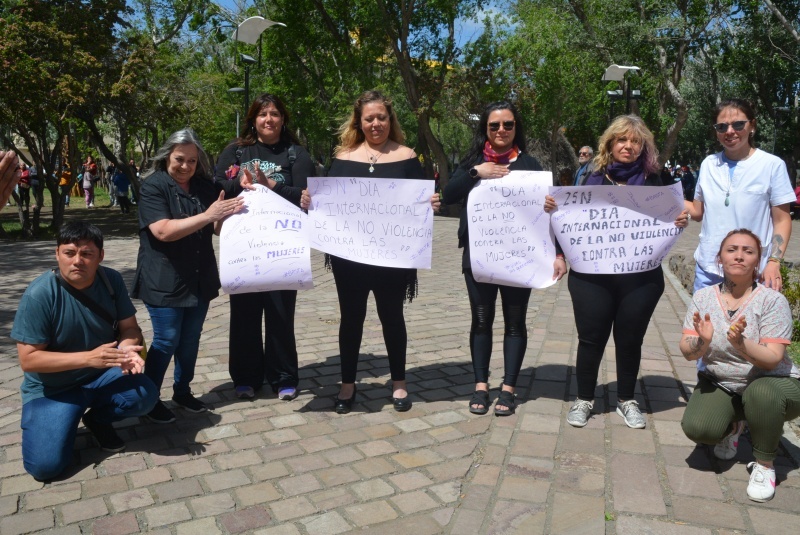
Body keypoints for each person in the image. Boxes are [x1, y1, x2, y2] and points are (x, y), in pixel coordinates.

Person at [300, 90, 440, 414]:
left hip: (393, 258)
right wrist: (310, 202)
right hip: (350, 259)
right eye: (369, 118)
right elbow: (328, 203)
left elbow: (421, 203)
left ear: (390, 119)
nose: (376, 123)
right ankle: (348, 385)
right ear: (358, 122)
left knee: (393, 318)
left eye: (382, 117)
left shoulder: (407, 156)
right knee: (351, 319)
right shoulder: (344, 157)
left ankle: (399, 383)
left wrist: (431, 204)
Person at [564, 115, 689, 429]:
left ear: (643, 146)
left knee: (630, 339)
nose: (629, 146)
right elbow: (572, 217)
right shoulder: (591, 178)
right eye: (622, 140)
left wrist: (678, 222)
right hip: (592, 277)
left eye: (636, 141)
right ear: (609, 143)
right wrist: (555, 209)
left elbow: (671, 216)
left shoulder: (656, 179)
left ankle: (626, 399)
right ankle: (583, 399)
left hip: (641, 278)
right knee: (590, 339)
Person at [443, 100, 567, 415]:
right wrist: (476, 172)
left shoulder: (530, 166)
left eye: (508, 125)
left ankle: (509, 389)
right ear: (485, 129)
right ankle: (481, 386)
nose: (501, 130)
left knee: (515, 322)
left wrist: (556, 245)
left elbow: (548, 215)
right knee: (481, 320)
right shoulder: (473, 161)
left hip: (520, 257)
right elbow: (448, 195)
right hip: (480, 256)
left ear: (516, 128)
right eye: (494, 125)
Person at [11, 221, 158, 481]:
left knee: (145, 395)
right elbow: (28, 360)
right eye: (69, 253)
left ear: (100, 256)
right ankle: (64, 417)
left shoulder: (109, 280)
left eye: (87, 253)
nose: (78, 261)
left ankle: (97, 420)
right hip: (53, 389)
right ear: (57, 254)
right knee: (46, 468)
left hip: (100, 377)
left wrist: (125, 350)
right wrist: (90, 358)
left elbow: (130, 328)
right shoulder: (40, 294)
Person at [132, 129, 244, 423]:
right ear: (167, 156)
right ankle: (150, 398)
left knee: (190, 339)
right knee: (167, 340)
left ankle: (182, 391)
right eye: (179, 159)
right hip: (164, 280)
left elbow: (215, 227)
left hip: (199, 277)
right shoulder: (153, 186)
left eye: (192, 161)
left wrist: (232, 211)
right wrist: (210, 215)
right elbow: (163, 231)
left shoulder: (203, 187)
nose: (185, 166)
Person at [679, 229, 799, 502]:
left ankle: (765, 465)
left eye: (748, 251)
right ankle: (735, 426)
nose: (739, 256)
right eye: (732, 250)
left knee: (761, 394)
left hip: (774, 384)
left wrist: (742, 344)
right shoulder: (704, 297)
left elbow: (773, 358)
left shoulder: (772, 300)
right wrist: (703, 342)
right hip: (724, 382)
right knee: (699, 429)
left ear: (757, 260)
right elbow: (687, 351)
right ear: (720, 258)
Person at [215, 94, 315, 401]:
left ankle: (284, 376)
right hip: (243, 246)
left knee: (280, 314)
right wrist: (241, 184)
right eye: (262, 114)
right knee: (244, 314)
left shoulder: (296, 153)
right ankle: (246, 377)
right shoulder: (236, 151)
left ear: (283, 119)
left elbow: (306, 196)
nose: (268, 119)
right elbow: (216, 185)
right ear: (253, 119)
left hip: (283, 246)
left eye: (274, 114)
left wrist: (272, 186)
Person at [685, 99, 794, 294]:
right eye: (721, 126)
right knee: (704, 324)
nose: (729, 131)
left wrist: (774, 262)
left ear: (752, 125)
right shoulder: (708, 164)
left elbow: (782, 220)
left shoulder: (771, 165)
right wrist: (659, 197)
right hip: (709, 269)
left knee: (747, 325)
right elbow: (697, 211)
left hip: (752, 271)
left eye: (738, 124)